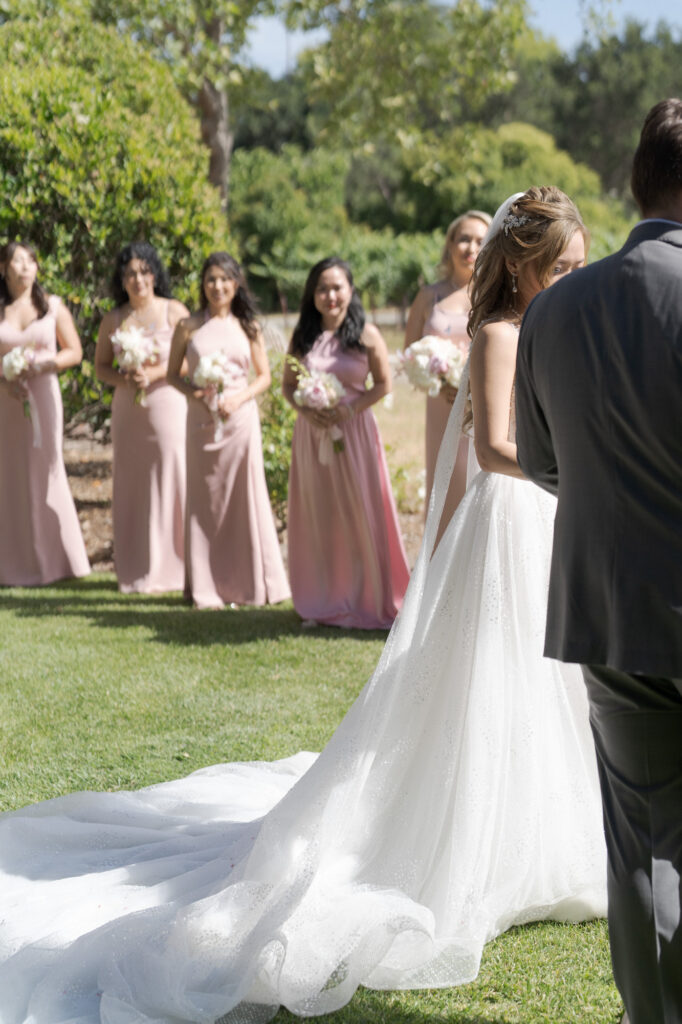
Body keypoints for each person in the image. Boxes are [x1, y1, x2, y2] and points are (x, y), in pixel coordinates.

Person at [0, 190, 606, 1023]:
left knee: (549, 679)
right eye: (561, 266)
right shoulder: (500, 332)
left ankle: (550, 825)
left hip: (534, 516)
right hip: (515, 513)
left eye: (577, 266)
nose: (571, 278)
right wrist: (574, 468)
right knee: (499, 673)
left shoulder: (543, 325)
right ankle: (486, 835)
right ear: (525, 264)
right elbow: (496, 447)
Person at [515, 102, 682, 1024]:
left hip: (613, 607)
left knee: (647, 847)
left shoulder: (559, 308)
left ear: (635, 183)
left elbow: (542, 463)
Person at [282, 256, 410, 629]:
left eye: (337, 287)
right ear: (313, 295)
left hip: (354, 434)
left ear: (350, 290)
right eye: (322, 288)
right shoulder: (302, 336)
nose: (330, 295)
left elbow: (384, 384)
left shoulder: (367, 334)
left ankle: (367, 596)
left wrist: (349, 409)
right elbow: (288, 387)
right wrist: (307, 412)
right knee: (321, 516)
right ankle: (323, 599)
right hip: (312, 435)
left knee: (360, 513)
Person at [168, 251, 290, 609]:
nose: (217, 286)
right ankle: (204, 586)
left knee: (244, 498)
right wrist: (196, 393)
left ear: (236, 285)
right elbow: (173, 375)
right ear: (203, 285)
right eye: (210, 279)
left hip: (239, 423)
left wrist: (239, 399)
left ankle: (249, 583)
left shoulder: (248, 326)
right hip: (201, 424)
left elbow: (265, 376)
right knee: (204, 501)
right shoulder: (188, 327)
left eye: (224, 279)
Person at [96, 242, 189, 593]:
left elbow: (189, 361)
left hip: (167, 405)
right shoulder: (114, 319)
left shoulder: (175, 312)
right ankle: (135, 565)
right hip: (128, 411)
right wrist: (125, 380)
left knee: (172, 474)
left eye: (145, 271)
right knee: (132, 482)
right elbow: (101, 367)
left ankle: (176, 565)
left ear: (155, 274)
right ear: (121, 280)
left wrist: (154, 375)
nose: (138, 279)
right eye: (130, 273)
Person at [0, 241, 90, 585]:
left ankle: (58, 561)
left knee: (46, 470)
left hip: (44, 398)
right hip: (6, 402)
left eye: (31, 260)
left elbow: (75, 352)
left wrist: (40, 365)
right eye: (17, 260)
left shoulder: (52, 306)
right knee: (9, 475)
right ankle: (11, 563)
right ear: (3, 268)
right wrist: (5, 377)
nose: (25, 266)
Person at [404, 210, 491, 515]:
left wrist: (470, 390)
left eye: (480, 240)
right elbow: (409, 355)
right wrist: (436, 380)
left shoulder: (494, 295)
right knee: (444, 487)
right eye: (464, 238)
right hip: (441, 406)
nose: (471, 247)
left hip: (482, 407)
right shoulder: (429, 296)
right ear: (450, 244)